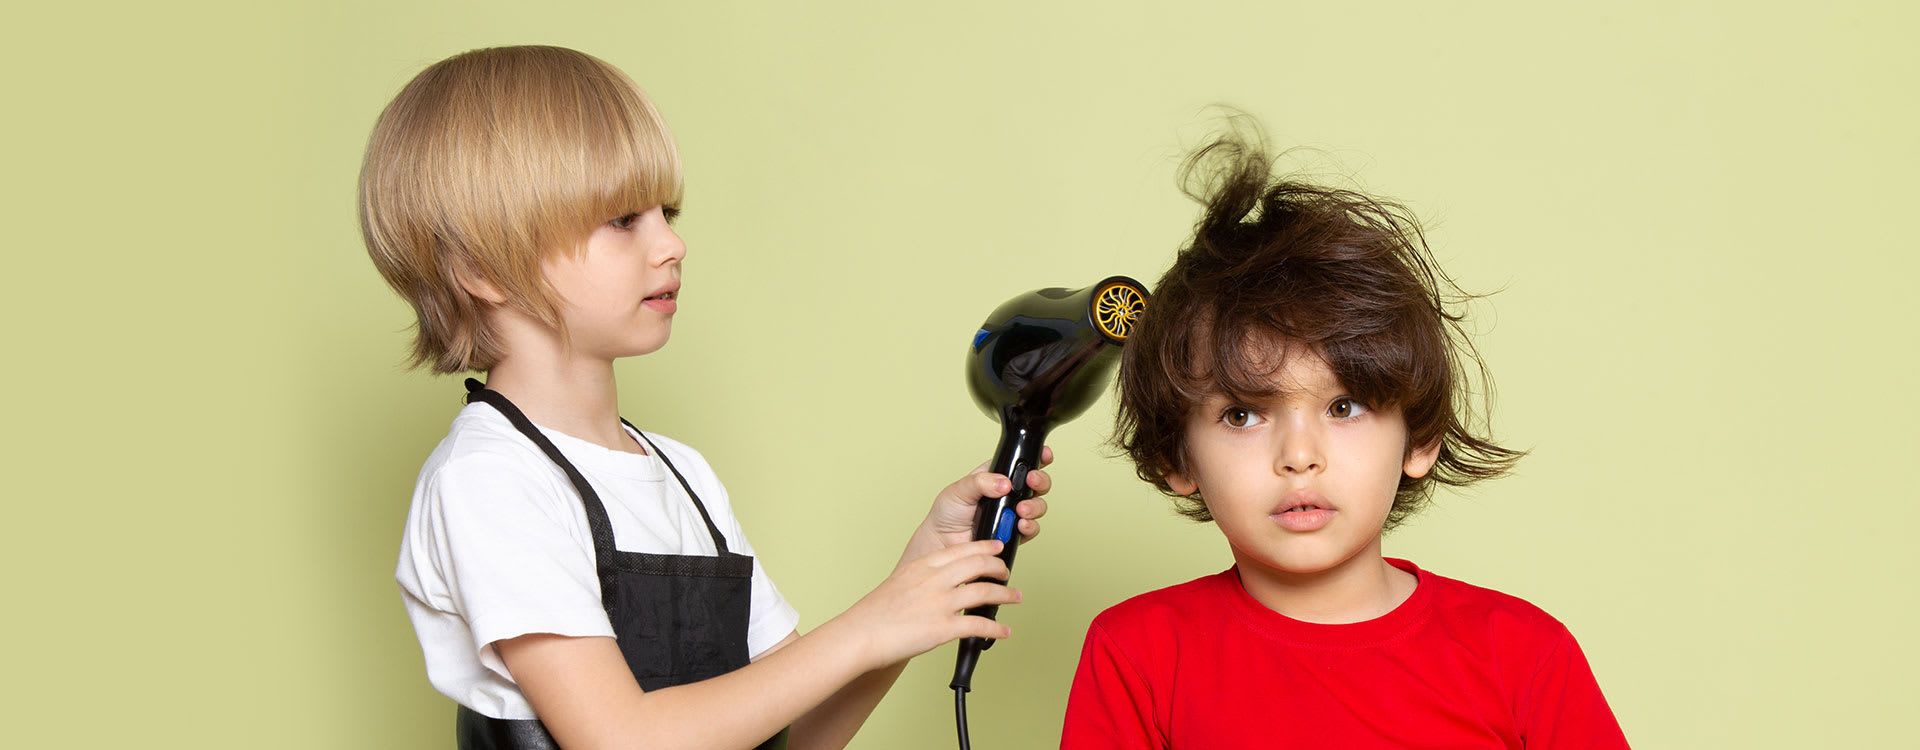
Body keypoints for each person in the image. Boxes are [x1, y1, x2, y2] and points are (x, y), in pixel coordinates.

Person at [359, 45, 1050, 750]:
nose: (672, 243)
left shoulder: (681, 476)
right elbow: (619, 739)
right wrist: (874, 621)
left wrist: (919, 577)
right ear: (481, 268)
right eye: (624, 219)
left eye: (669, 211)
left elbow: (799, 735)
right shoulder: (491, 479)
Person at [1061, 124, 1629, 749]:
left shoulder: (1520, 653)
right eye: (1244, 415)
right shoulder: (1139, 654)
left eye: (1345, 405)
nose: (1299, 457)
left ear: (1420, 438)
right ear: (1176, 454)